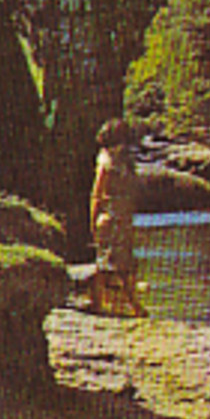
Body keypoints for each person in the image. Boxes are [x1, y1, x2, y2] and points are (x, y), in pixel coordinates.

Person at [89, 117, 147, 317]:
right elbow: (97, 193)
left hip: (122, 217)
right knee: (112, 264)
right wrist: (94, 219)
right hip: (110, 216)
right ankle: (132, 305)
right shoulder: (106, 161)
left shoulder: (124, 160)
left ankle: (102, 302)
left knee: (118, 263)